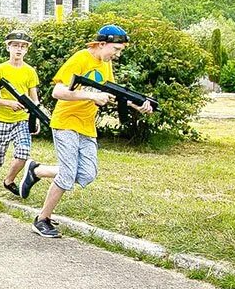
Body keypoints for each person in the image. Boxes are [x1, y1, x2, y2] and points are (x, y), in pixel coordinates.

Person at [18, 24, 153, 238]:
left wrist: (137, 104)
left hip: (87, 125)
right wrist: (92, 96)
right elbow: (57, 91)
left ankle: (37, 171)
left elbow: (110, 94)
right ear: (101, 44)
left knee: (87, 174)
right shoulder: (81, 58)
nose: (118, 54)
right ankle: (42, 219)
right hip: (66, 122)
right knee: (67, 174)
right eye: (116, 49)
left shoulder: (105, 64)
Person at [0, 30, 41, 211]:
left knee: (23, 154)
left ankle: (9, 180)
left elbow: (34, 100)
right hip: (1, 120)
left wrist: (36, 117)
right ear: (8, 47)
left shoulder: (30, 71)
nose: (19, 49)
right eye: (15, 45)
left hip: (22, 120)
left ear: (27, 50)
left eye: (23, 46)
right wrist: (9, 103)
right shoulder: (1, 69)